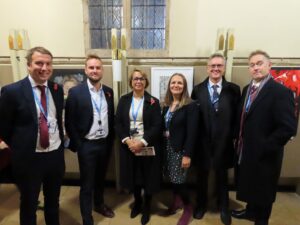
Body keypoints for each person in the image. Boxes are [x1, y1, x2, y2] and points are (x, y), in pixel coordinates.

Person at [0, 46, 65, 225]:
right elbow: (3, 128)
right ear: (28, 65)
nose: (44, 68)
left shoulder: (57, 89)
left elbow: (56, 119)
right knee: (29, 204)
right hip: (29, 159)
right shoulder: (12, 91)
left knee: (53, 202)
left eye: (48, 64)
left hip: (54, 156)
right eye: (39, 63)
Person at [231, 50, 297, 225]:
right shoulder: (247, 89)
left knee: (264, 189)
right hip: (246, 149)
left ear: (269, 65)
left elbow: (288, 128)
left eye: (259, 63)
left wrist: (265, 147)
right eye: (252, 65)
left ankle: (261, 220)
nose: (255, 67)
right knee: (251, 184)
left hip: (267, 153)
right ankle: (250, 211)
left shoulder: (281, 92)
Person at [65, 54, 115, 225]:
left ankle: (99, 204)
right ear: (86, 70)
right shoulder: (76, 92)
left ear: (102, 70)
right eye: (91, 67)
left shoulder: (108, 91)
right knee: (87, 184)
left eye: (98, 67)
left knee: (101, 178)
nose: (95, 70)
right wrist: (79, 145)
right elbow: (69, 121)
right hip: (87, 145)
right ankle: (87, 218)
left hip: (104, 143)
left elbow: (111, 116)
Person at [191, 53, 240, 225]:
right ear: (207, 68)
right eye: (213, 66)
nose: (216, 69)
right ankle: (201, 206)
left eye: (219, 65)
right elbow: (194, 117)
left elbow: (236, 118)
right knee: (202, 178)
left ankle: (224, 207)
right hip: (202, 144)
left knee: (222, 178)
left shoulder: (234, 89)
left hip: (224, 144)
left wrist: (233, 138)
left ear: (224, 68)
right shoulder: (197, 89)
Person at [115, 69, 162, 225]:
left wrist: (141, 142)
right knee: (134, 176)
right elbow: (118, 123)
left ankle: (147, 206)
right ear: (131, 82)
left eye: (141, 78)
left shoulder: (153, 101)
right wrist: (128, 141)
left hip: (146, 146)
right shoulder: (124, 100)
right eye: (135, 79)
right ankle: (137, 203)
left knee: (147, 176)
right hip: (129, 146)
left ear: (145, 81)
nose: (138, 81)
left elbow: (157, 125)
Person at [162, 73, 199, 225]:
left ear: (184, 86)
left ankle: (188, 208)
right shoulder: (166, 106)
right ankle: (176, 201)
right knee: (172, 178)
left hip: (180, 150)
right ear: (169, 86)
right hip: (167, 148)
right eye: (173, 83)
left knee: (180, 181)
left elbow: (192, 132)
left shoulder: (190, 105)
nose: (176, 85)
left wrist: (187, 155)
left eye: (179, 83)